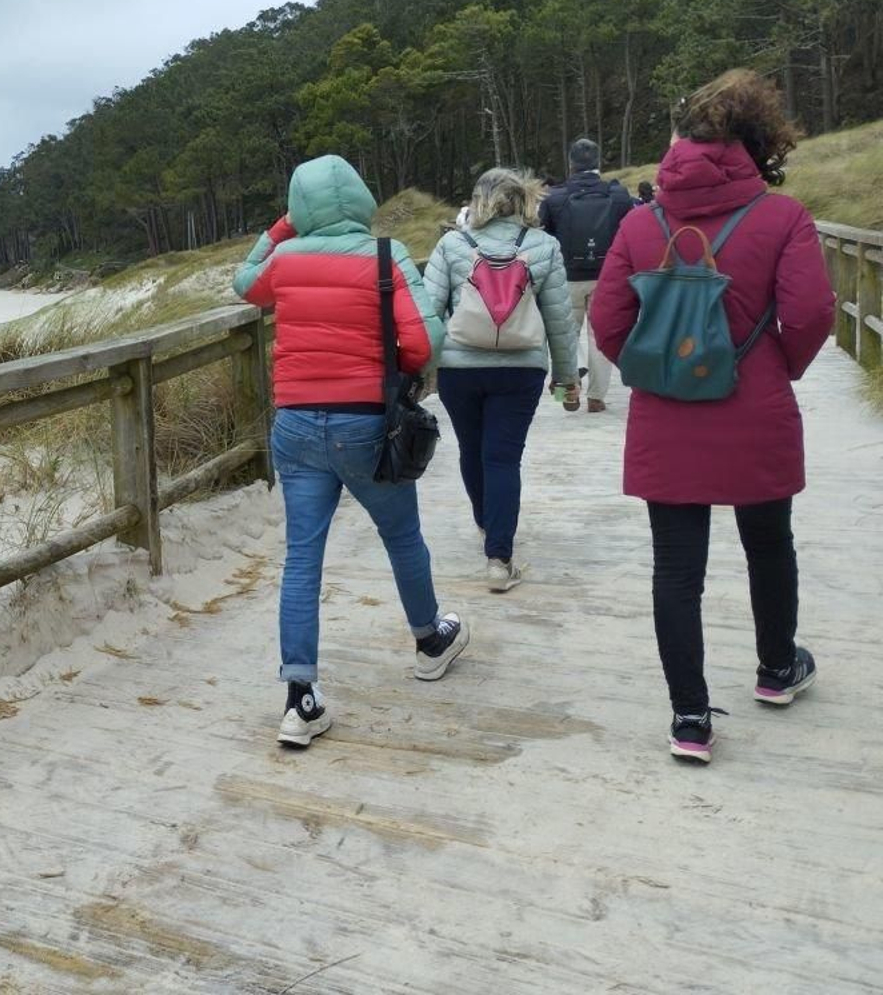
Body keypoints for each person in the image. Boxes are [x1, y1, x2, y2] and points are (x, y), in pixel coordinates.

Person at [590, 69, 835, 764]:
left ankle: (691, 718)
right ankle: (777, 668)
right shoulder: (783, 216)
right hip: (755, 406)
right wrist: (778, 363)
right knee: (769, 543)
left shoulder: (642, 221)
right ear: (757, 145)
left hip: (667, 418)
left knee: (676, 568)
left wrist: (656, 368)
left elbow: (608, 321)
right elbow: (813, 311)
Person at [234, 154, 470, 749]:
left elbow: (244, 283)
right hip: (367, 424)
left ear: (299, 204)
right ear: (363, 198)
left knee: (301, 559)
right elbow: (424, 341)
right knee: (402, 537)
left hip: (294, 426)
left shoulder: (285, 261)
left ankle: (300, 699)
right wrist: (396, 364)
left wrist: (283, 227)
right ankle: (428, 641)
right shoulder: (386, 257)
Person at [424, 168, 577, 592]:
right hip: (521, 368)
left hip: (459, 370)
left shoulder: (452, 245)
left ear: (478, 202)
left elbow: (429, 313)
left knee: (472, 450)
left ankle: (486, 522)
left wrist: (416, 371)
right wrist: (567, 378)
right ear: (524, 201)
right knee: (503, 458)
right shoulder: (544, 246)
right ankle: (499, 556)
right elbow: (560, 321)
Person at [539, 138, 633, 413]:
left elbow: (543, 238)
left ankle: (566, 389)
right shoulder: (618, 195)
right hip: (606, 278)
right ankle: (596, 398)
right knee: (598, 336)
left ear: (571, 163)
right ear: (598, 163)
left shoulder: (555, 197)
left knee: (563, 335)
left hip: (566, 277)